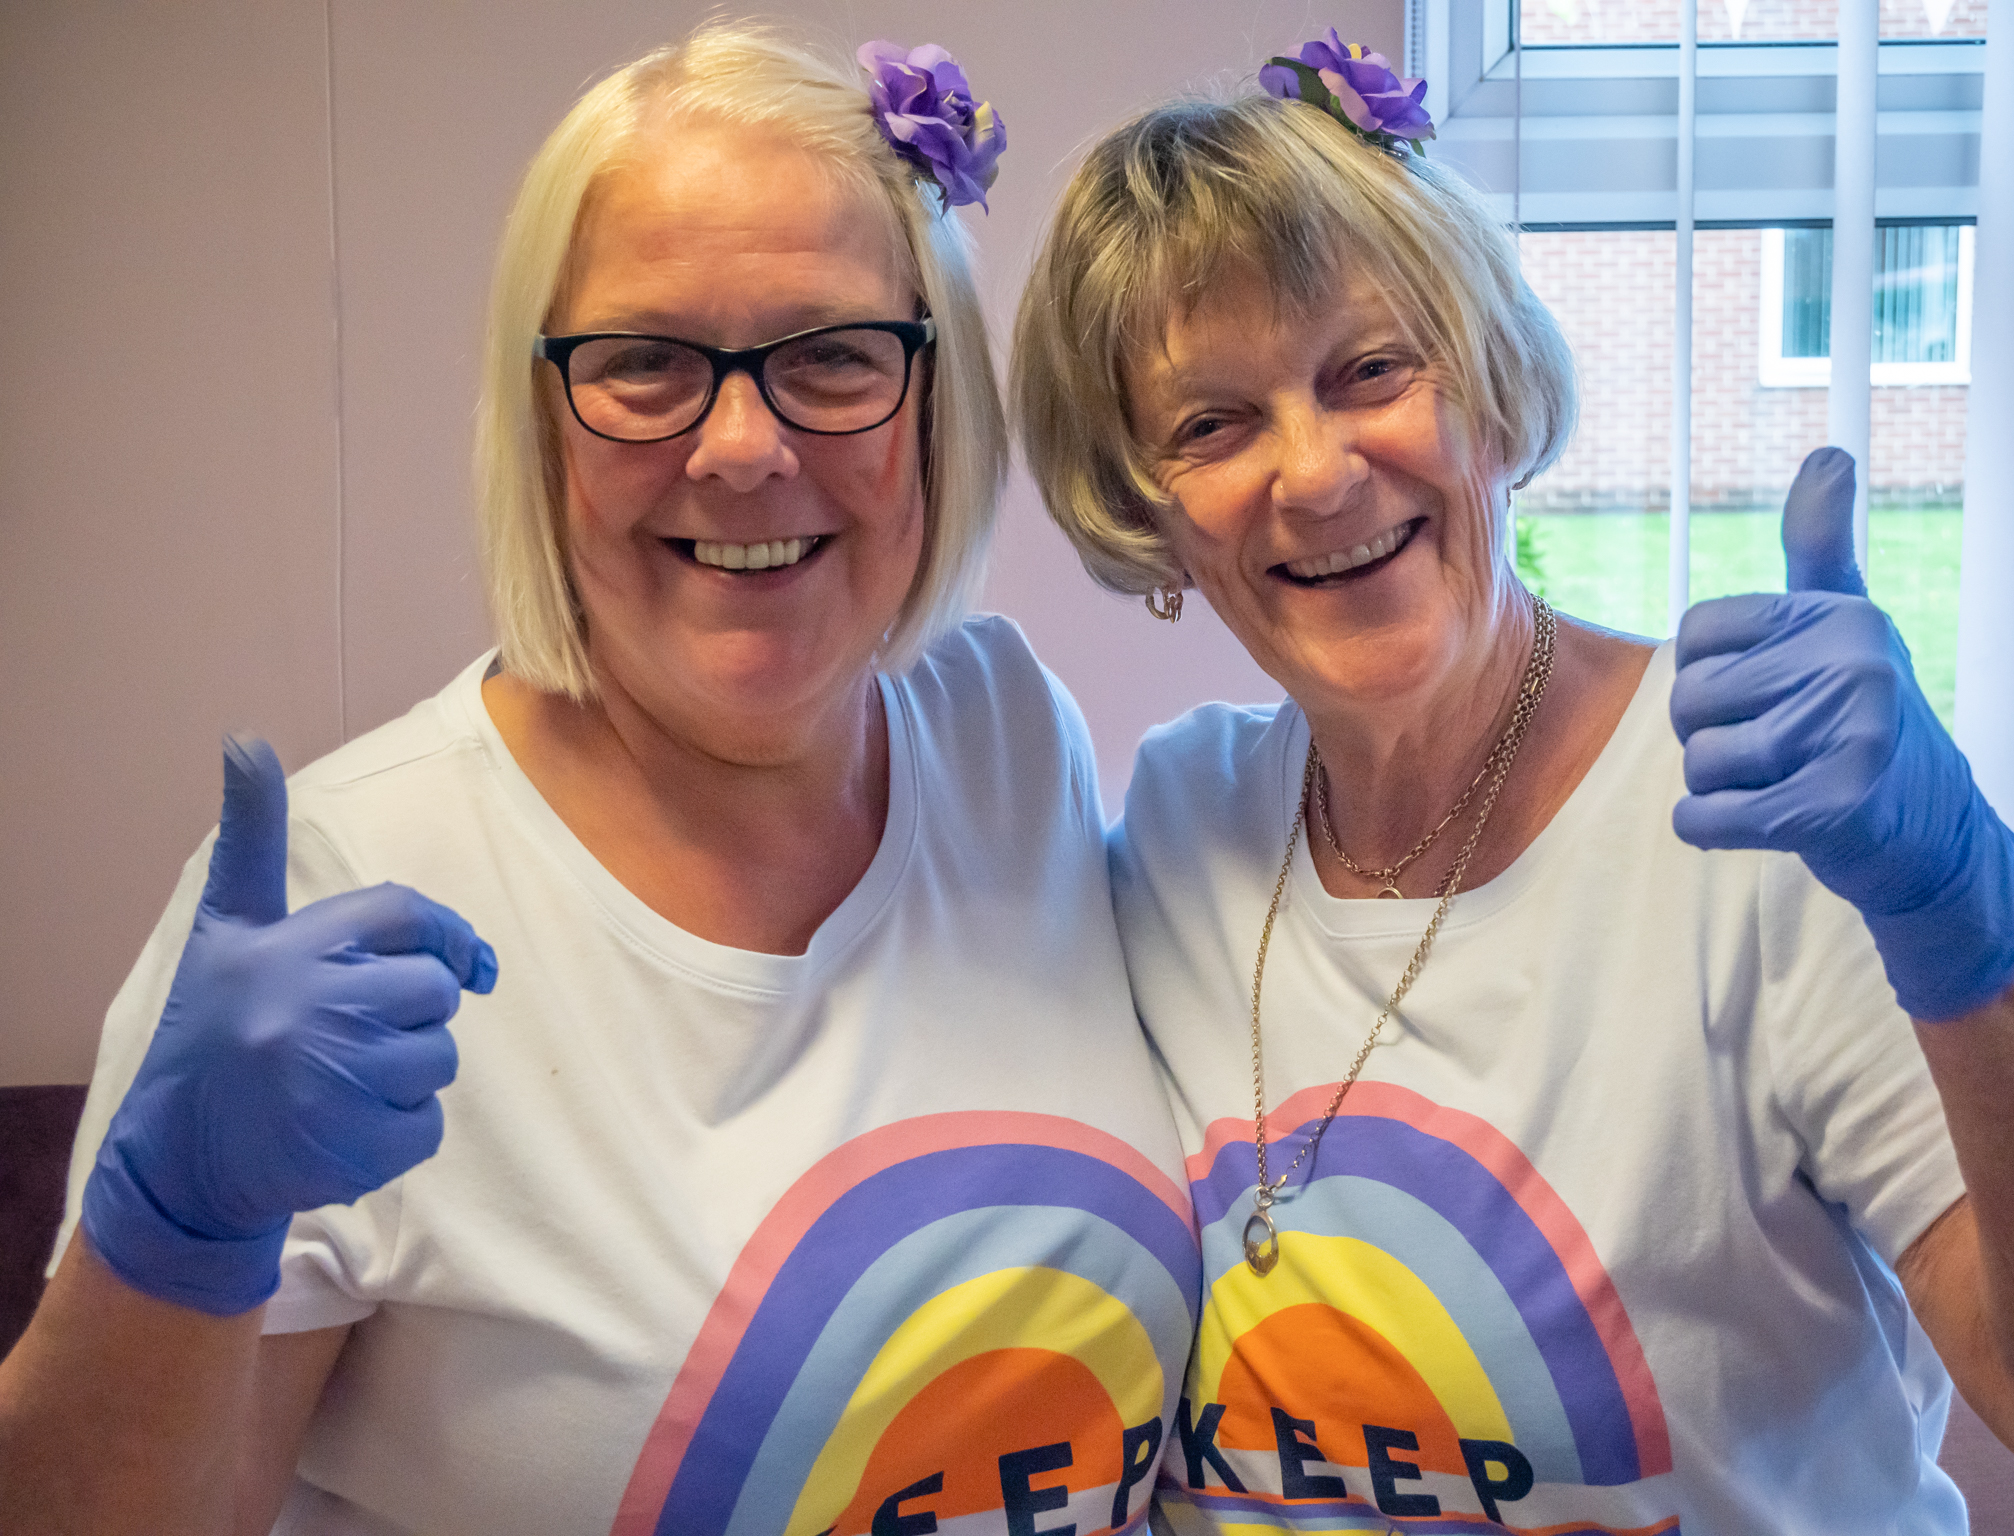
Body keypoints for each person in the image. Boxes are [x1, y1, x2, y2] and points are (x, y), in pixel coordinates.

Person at [0, 25, 1197, 1534]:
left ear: (935, 400)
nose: (743, 448)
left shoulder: (1005, 732)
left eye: (831, 355)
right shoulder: (333, 901)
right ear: (542, 415)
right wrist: (173, 1241)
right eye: (645, 365)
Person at [1010, 32, 2014, 1534]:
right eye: (1212, 425)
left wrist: (1973, 915)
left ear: (1490, 386)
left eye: (1370, 370)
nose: (1313, 473)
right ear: (1148, 515)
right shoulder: (1177, 827)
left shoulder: (1762, 827)